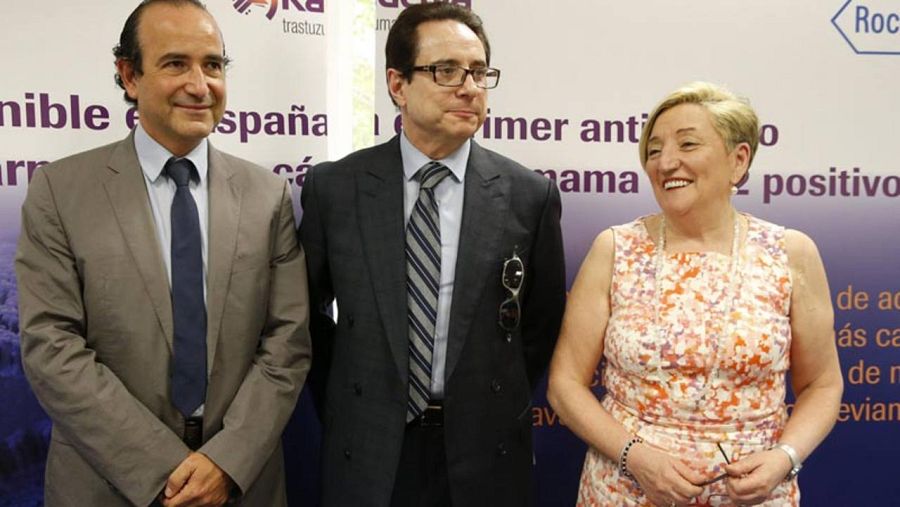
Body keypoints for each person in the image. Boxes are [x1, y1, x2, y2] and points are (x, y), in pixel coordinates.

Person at [15, 1, 311, 505]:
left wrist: (226, 461)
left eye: (213, 65)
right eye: (176, 63)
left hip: (241, 482)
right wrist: (163, 467)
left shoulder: (269, 195)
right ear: (129, 75)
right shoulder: (60, 191)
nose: (200, 85)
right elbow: (51, 346)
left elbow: (288, 341)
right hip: (106, 482)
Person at [298, 3, 566, 506]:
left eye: (479, 72)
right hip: (370, 447)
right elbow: (305, 317)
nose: (469, 87)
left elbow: (539, 325)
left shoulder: (529, 196)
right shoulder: (337, 188)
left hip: (485, 453)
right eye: (446, 71)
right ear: (397, 85)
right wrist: (354, 397)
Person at [547, 82, 843, 506]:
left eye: (687, 144)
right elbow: (565, 385)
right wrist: (637, 457)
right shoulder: (616, 249)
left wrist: (785, 457)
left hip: (755, 497)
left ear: (738, 160)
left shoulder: (790, 253)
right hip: (625, 490)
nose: (666, 162)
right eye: (653, 150)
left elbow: (822, 384)